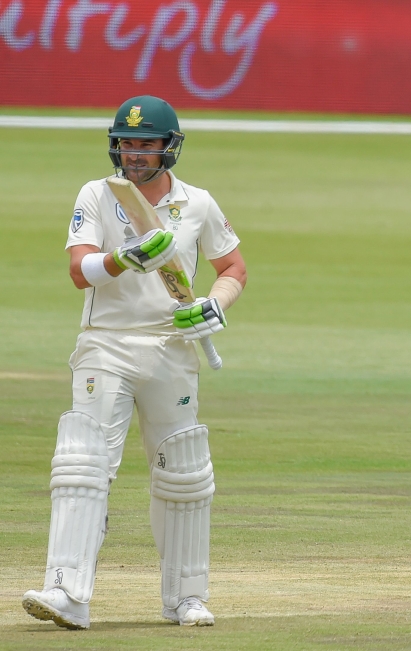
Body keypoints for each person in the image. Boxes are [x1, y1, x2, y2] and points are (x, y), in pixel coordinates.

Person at [22, 95, 247, 629]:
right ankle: (67, 592)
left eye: (145, 144)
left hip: (173, 349)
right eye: (125, 143)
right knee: (84, 463)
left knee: (184, 474)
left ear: (169, 148)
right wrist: (123, 259)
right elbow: (80, 271)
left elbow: (233, 264)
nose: (133, 154)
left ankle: (186, 598)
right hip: (107, 345)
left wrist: (214, 304)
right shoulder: (97, 195)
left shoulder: (198, 203)